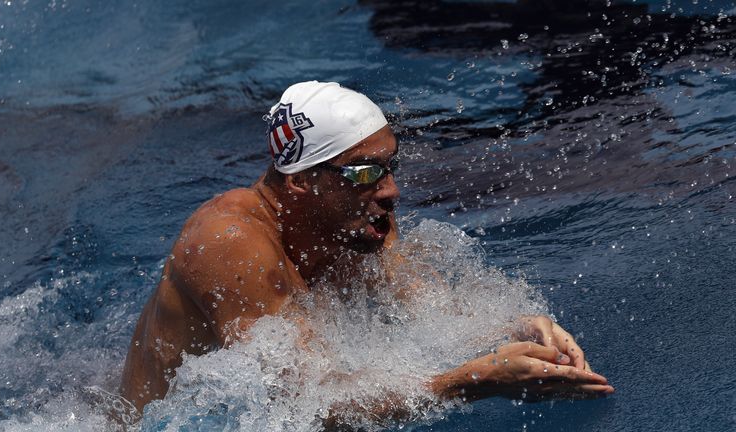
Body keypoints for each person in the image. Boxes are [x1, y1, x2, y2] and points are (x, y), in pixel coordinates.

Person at [119, 81, 614, 420]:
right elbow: (303, 409)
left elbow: (428, 311)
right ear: (299, 183)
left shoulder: (359, 220)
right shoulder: (228, 243)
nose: (391, 190)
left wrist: (514, 328)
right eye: (364, 173)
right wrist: (471, 381)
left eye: (390, 165)